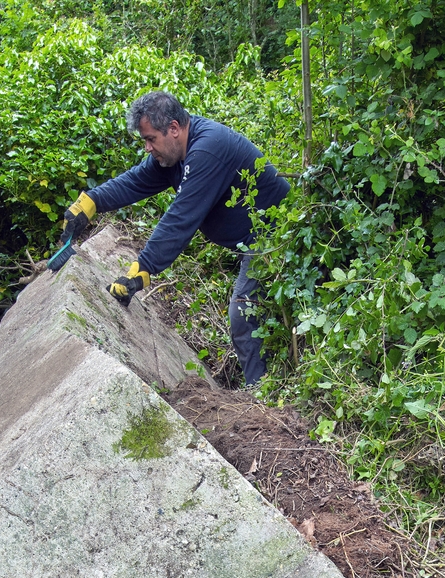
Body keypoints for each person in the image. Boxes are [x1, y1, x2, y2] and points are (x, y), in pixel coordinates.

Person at [61, 91, 290, 387]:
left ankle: (261, 396)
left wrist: (143, 268)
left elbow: (181, 218)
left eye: (150, 139)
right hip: (253, 240)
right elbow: (134, 181)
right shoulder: (172, 155)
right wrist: (89, 203)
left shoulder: (207, 150)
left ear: (173, 128)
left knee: (242, 314)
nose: (147, 148)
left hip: (276, 235)